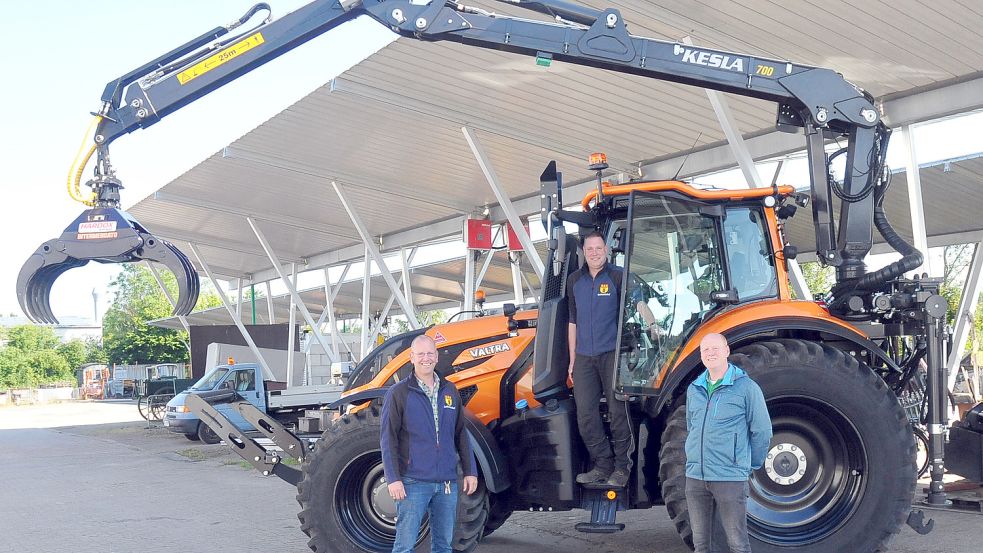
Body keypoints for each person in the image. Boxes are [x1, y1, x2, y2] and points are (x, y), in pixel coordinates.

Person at [567, 231, 657, 488]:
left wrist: (652, 325)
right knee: (585, 414)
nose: (594, 253)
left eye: (598, 248)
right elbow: (572, 322)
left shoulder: (618, 276)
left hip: (613, 355)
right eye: (589, 249)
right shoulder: (575, 281)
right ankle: (602, 465)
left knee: (618, 412)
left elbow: (639, 303)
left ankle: (621, 468)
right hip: (584, 357)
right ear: (584, 252)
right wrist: (572, 360)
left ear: (606, 250)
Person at [380, 334, 479, 553]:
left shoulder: (450, 391)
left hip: (446, 483)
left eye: (430, 353)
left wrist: (470, 471)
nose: (426, 358)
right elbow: (388, 439)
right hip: (413, 482)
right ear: (412, 358)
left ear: (436, 356)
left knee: (443, 546)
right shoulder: (398, 393)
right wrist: (393, 479)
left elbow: (460, 433)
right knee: (404, 546)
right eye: (421, 354)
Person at [685, 333, 772, 553]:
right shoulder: (694, 389)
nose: (710, 353)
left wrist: (748, 464)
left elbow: (761, 431)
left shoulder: (746, 388)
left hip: (729, 478)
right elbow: (691, 426)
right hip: (695, 478)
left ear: (726, 351)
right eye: (706, 350)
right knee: (701, 545)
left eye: (715, 348)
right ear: (701, 355)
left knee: (737, 544)